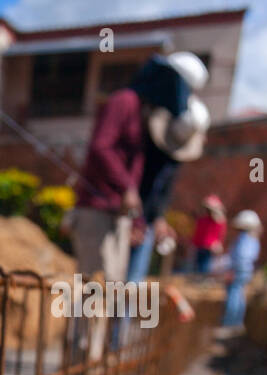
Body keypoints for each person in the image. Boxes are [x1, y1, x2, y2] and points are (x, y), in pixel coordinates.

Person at [70, 54, 192, 359]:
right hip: (96, 210)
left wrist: (137, 222)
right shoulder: (123, 102)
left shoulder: (143, 115)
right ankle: (78, 354)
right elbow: (101, 146)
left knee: (110, 288)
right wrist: (125, 186)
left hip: (118, 217)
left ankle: (93, 357)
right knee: (91, 283)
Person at [126, 52, 210, 285]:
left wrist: (157, 218)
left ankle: (120, 321)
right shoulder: (138, 119)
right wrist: (137, 219)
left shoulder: (174, 149)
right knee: (118, 282)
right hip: (126, 215)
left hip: (142, 221)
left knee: (132, 285)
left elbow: (162, 187)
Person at [222, 210, 261, 327]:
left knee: (234, 293)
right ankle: (237, 322)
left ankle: (230, 322)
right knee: (239, 293)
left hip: (239, 269)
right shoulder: (253, 239)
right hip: (246, 270)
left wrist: (233, 271)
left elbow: (241, 257)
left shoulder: (243, 239)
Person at [192, 195, 226, 274]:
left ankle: (203, 278)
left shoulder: (218, 221)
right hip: (200, 245)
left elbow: (220, 233)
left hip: (210, 246)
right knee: (199, 264)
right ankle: (199, 278)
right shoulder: (203, 220)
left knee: (206, 265)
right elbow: (198, 233)